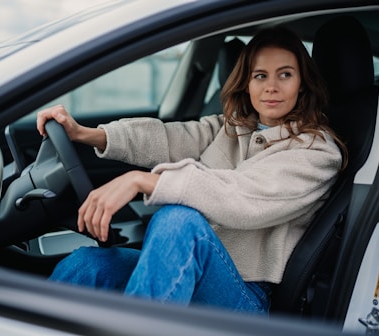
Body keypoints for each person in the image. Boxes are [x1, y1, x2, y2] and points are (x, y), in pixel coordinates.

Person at [36, 27, 346, 314]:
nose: (271, 87)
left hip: (248, 299)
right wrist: (85, 133)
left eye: (285, 75)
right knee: (87, 265)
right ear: (247, 84)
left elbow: (241, 195)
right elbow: (169, 138)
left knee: (178, 221)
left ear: (302, 84)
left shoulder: (317, 153)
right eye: (260, 76)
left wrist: (143, 180)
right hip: (196, 267)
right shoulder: (235, 128)